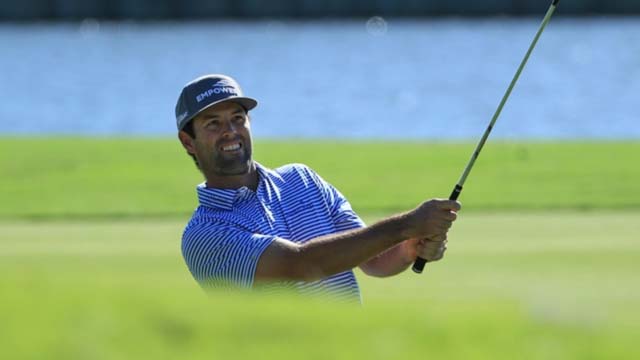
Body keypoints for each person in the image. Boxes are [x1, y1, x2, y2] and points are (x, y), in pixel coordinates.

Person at [176, 74, 460, 302]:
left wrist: (410, 248)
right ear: (188, 142)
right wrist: (407, 225)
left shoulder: (301, 179)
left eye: (238, 118)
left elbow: (375, 259)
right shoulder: (204, 234)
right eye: (213, 123)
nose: (231, 131)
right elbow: (300, 265)